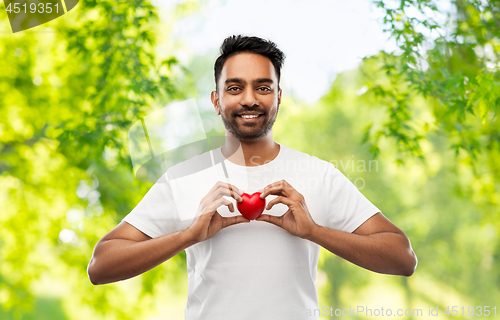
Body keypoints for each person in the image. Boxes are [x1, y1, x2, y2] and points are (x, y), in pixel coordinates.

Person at [87, 34, 417, 320]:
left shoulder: (317, 174)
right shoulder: (183, 177)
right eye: (235, 87)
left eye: (263, 87)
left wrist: (314, 231)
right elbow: (101, 266)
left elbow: (402, 257)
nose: (249, 99)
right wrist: (188, 235)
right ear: (216, 101)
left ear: (278, 98)